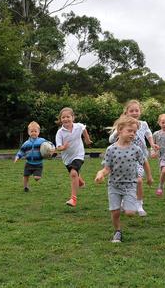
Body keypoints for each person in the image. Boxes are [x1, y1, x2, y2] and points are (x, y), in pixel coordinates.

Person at [95, 115, 145, 243]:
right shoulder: (111, 150)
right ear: (120, 130)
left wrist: (149, 177)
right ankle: (117, 231)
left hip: (130, 185)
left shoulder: (136, 149)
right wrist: (100, 174)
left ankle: (127, 204)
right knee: (115, 212)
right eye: (130, 131)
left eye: (134, 132)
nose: (133, 134)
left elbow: (144, 162)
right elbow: (107, 168)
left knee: (129, 213)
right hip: (114, 185)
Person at [109, 100, 157, 216]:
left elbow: (148, 134)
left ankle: (139, 205)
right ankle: (123, 201)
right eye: (132, 111)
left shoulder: (144, 124)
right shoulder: (123, 124)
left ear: (140, 112)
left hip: (140, 157)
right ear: (127, 112)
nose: (135, 112)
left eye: (137, 110)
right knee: (125, 182)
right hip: (125, 159)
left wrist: (152, 144)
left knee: (139, 180)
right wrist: (117, 132)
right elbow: (111, 140)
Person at [55, 107, 92, 207]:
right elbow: (58, 147)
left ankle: (73, 199)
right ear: (60, 119)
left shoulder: (78, 126)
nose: (66, 119)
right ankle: (81, 182)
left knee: (73, 173)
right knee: (75, 174)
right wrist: (63, 147)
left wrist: (87, 140)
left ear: (73, 117)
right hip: (67, 158)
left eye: (68, 116)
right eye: (63, 117)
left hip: (79, 154)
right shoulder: (60, 132)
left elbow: (84, 130)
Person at [14, 121, 52, 192]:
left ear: (38, 132)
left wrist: (52, 150)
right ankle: (26, 187)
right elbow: (22, 150)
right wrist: (17, 156)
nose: (33, 133)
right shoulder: (26, 143)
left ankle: (36, 175)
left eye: (35, 131)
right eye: (31, 131)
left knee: (37, 178)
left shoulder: (42, 141)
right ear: (28, 132)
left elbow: (50, 144)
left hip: (38, 164)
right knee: (26, 176)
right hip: (28, 163)